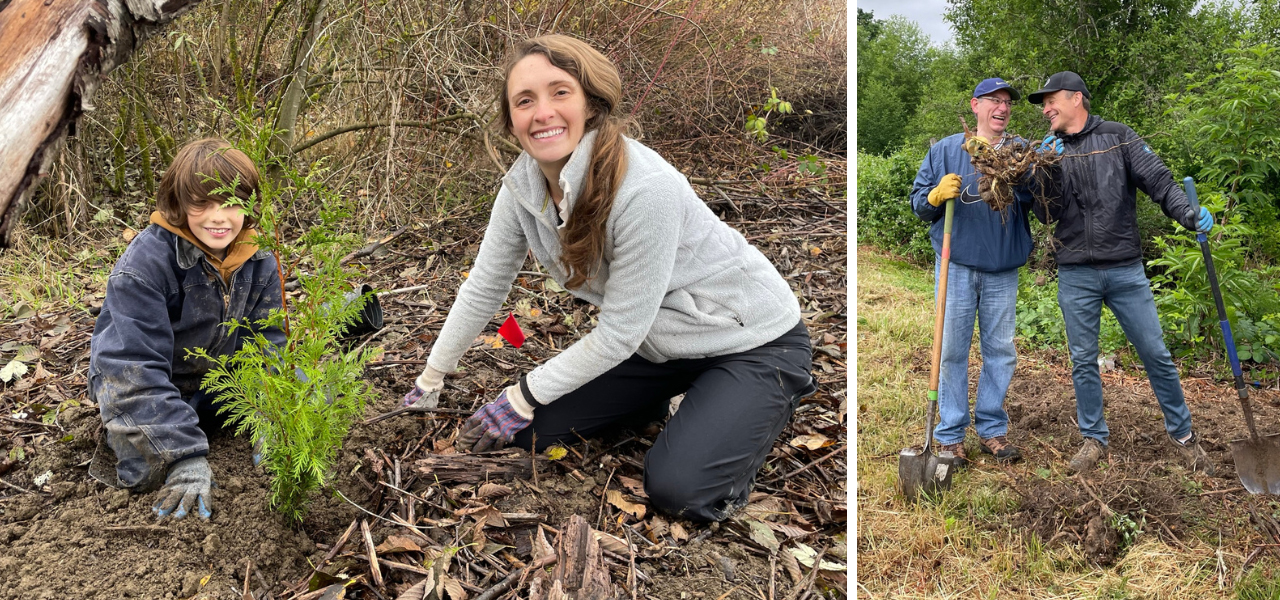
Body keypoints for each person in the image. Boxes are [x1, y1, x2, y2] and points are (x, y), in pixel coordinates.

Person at [402, 34, 816, 522]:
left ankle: (758, 399)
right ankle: (662, 403)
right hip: (658, 345)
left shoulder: (645, 189)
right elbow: (485, 286)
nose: (543, 113)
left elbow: (617, 332)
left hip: (750, 341)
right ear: (511, 119)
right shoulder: (521, 187)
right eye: (525, 101)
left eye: (560, 92)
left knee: (679, 491)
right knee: (532, 433)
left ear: (591, 103)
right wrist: (432, 376)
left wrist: (522, 393)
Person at [1029, 71, 1215, 474]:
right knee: (1082, 360)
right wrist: (1044, 170)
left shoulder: (1118, 136)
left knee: (1156, 353)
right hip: (1076, 272)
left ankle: (1183, 435)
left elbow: (1160, 182)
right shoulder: (1049, 151)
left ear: (1076, 98)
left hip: (1125, 269)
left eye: (1051, 100)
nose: (1045, 110)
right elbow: (1045, 214)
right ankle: (1094, 439)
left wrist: (1187, 213)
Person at [88, 139, 284, 520]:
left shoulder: (259, 257)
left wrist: (268, 413)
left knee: (309, 388)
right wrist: (184, 458)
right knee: (144, 465)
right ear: (178, 202)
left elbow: (269, 341)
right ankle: (175, 445)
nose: (220, 217)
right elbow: (131, 368)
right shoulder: (145, 265)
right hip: (155, 387)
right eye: (203, 204)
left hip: (219, 384)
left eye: (232, 203)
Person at [909, 77, 1033, 466]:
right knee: (951, 352)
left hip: (1002, 268)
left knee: (1000, 351)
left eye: (1007, 102)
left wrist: (1023, 179)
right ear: (975, 106)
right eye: (994, 100)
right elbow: (917, 203)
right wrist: (933, 196)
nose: (1002, 107)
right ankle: (949, 434)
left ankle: (992, 430)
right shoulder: (946, 151)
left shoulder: (1021, 153)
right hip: (956, 264)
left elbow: (1044, 202)